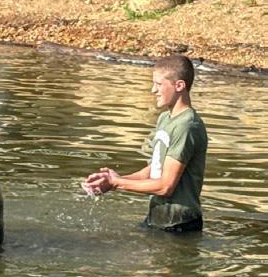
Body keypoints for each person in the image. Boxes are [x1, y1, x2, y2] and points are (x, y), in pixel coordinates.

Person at [83, 55, 207, 233]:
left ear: (179, 85)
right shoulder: (165, 118)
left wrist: (118, 183)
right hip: (159, 219)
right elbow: (154, 170)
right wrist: (114, 181)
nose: (153, 90)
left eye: (158, 84)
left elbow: (165, 186)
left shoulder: (186, 126)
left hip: (179, 224)